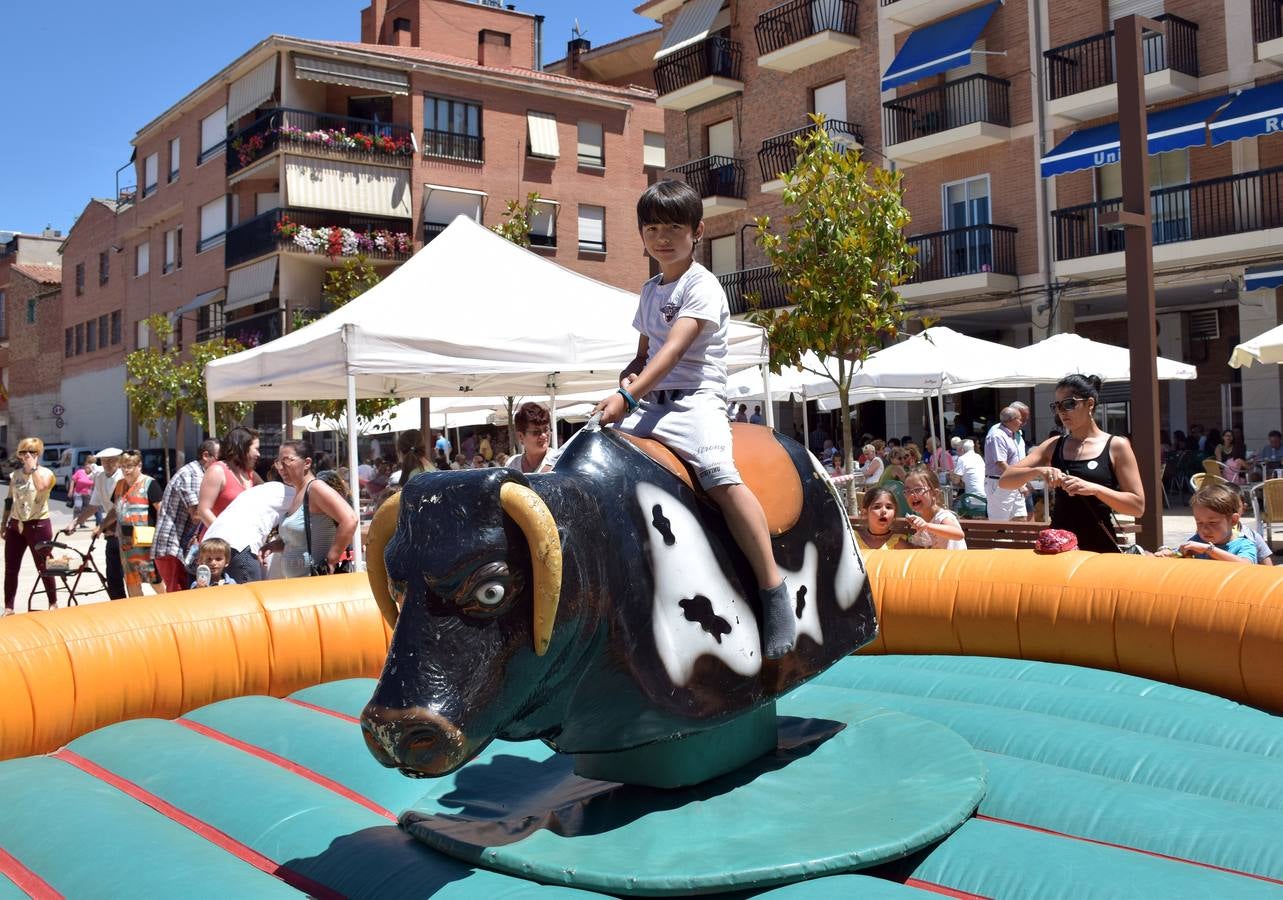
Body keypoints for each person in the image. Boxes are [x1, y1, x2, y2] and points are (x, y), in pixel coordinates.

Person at [591, 179, 795, 658]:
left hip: (696, 401)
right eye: (653, 227)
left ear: (697, 231)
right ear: (641, 233)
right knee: (596, 459)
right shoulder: (648, 290)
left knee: (720, 477)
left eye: (674, 228)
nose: (663, 237)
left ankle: (772, 587)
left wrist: (627, 393)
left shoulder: (701, 286)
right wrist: (627, 380)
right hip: (651, 402)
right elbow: (644, 354)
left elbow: (675, 350)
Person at [999, 374, 1144, 553]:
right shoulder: (1054, 445)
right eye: (1057, 406)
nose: (1062, 411)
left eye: (1069, 403)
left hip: (1098, 549)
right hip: (1058, 548)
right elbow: (1005, 480)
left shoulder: (1116, 446)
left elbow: (1137, 507)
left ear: (1089, 404)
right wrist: (1038, 470)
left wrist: (1094, 489)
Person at [261, 441, 357, 578]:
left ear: (307, 463)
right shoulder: (299, 492)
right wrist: (273, 546)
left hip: (316, 584)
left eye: (287, 460)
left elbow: (350, 519)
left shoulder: (315, 488)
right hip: (300, 585)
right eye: (278, 462)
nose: (281, 468)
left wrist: (332, 559)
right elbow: (299, 541)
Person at [151, 439, 220, 593]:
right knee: (179, 597)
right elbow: (198, 513)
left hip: (180, 547)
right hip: (173, 547)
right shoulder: (192, 475)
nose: (221, 464)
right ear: (206, 456)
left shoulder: (199, 473)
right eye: (219, 458)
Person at [2, 437, 58, 614]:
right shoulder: (15, 475)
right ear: (19, 455)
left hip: (38, 524)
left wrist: (33, 468)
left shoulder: (47, 474)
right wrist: (3, 523)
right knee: (11, 568)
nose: (27, 455)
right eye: (23, 452)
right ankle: (9, 607)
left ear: (38, 454)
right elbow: (9, 499)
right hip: (16, 524)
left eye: (32, 452)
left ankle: (53, 602)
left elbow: (41, 487)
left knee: (44, 565)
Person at [97, 450, 163, 596]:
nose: (126, 470)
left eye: (129, 466)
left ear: (139, 466)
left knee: (153, 579)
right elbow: (115, 510)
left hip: (145, 544)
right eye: (123, 466)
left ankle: (168, 605)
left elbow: (162, 511)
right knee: (132, 581)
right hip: (126, 544)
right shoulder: (120, 485)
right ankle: (137, 613)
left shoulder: (149, 484)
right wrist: (102, 526)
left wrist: (161, 537)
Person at [63, 446, 126, 599]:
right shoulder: (100, 477)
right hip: (111, 530)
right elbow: (93, 506)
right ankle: (119, 606)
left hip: (127, 529)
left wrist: (101, 526)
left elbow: (118, 508)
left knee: (133, 576)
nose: (108, 464)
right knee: (113, 575)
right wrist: (75, 522)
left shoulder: (122, 478)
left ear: (119, 462)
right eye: (105, 461)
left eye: (112, 461)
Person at [205, 481, 296, 583]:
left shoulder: (261, 490)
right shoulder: (293, 494)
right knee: (251, 595)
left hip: (209, 544)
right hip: (240, 546)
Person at [1156, 484, 1256, 563]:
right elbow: (1179, 553)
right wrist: (1170, 553)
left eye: (1212, 523)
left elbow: (1246, 565)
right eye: (1199, 523)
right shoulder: (1198, 540)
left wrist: (1209, 549)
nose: (1204, 530)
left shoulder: (1244, 545)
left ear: (1233, 520)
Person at [196, 427, 260, 527]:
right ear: (243, 448)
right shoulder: (217, 471)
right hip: (219, 539)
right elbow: (203, 511)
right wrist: (224, 535)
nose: (258, 454)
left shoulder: (250, 474)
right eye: (256, 449)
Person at [903, 465, 967, 550]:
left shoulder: (943, 516)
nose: (912, 494)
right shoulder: (920, 519)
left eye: (918, 489)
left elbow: (959, 534)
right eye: (908, 491)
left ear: (934, 493)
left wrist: (927, 526)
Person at [984, 407, 1027, 521]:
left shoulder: (1012, 435)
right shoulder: (997, 435)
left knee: (1020, 517)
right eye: (1019, 419)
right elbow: (1001, 462)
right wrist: (1019, 483)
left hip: (1013, 482)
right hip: (1000, 483)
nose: (1021, 422)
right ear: (1011, 420)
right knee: (1000, 524)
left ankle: (1019, 539)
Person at [507, 402, 561, 474]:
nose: (544, 436)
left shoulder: (560, 461)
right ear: (521, 436)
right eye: (536, 432)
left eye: (546, 430)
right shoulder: (512, 465)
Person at [855, 486, 905, 551]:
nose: (884, 511)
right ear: (865, 513)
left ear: (894, 513)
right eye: (877, 507)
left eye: (888, 507)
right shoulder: (853, 539)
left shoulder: (898, 542)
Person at [70, 456, 98, 526]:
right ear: (85, 465)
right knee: (78, 507)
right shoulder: (80, 472)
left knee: (85, 509)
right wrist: (70, 490)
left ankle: (82, 522)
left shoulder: (94, 474)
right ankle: (74, 523)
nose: (89, 466)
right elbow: (73, 480)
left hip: (88, 493)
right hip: (78, 493)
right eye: (88, 464)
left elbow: (96, 483)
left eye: (91, 464)